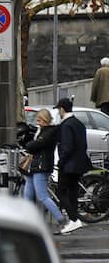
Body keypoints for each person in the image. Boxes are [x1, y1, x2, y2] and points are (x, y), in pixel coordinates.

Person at [19, 108, 67, 231]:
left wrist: (29, 145)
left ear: (46, 120)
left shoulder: (49, 132)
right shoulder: (43, 130)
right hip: (35, 166)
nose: (38, 122)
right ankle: (27, 221)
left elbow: (36, 144)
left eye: (40, 120)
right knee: (27, 196)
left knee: (42, 196)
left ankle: (61, 219)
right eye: (37, 120)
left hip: (41, 166)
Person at [55, 97, 93, 234]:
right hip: (79, 164)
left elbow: (67, 147)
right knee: (72, 193)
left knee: (60, 191)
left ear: (62, 109)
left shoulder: (66, 125)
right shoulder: (79, 124)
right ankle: (73, 221)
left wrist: (61, 161)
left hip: (68, 165)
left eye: (58, 109)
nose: (58, 112)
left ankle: (74, 219)